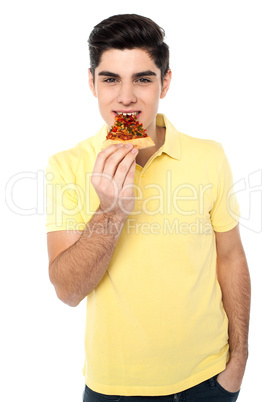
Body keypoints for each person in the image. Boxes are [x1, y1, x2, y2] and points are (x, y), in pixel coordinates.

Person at [46, 14, 251, 402]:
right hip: (114, 389)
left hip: (210, 380)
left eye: (143, 78)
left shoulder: (210, 156)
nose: (126, 97)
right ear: (91, 83)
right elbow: (67, 292)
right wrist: (112, 212)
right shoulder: (66, 166)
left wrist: (238, 360)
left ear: (165, 82)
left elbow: (231, 257)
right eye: (110, 79)